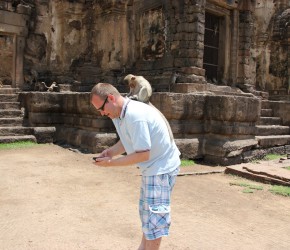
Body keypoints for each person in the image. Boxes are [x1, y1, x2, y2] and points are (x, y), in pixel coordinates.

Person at [91, 83, 181, 250]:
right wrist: (111, 152)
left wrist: (110, 164)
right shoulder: (119, 114)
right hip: (152, 167)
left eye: (101, 108)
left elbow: (142, 154)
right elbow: (128, 140)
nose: (102, 113)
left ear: (111, 98)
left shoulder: (134, 115)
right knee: (147, 216)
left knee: (154, 221)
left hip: (161, 168)